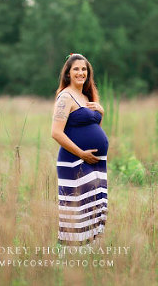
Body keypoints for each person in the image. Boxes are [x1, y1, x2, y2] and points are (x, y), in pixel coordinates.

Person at [51, 53, 108, 243]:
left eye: (84, 69)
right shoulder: (65, 97)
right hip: (75, 161)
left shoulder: (86, 96)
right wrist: (81, 153)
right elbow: (56, 133)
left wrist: (101, 112)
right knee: (77, 211)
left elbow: (91, 128)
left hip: (94, 163)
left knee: (95, 207)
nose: (80, 72)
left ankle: (90, 254)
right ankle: (71, 258)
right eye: (76, 69)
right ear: (68, 73)